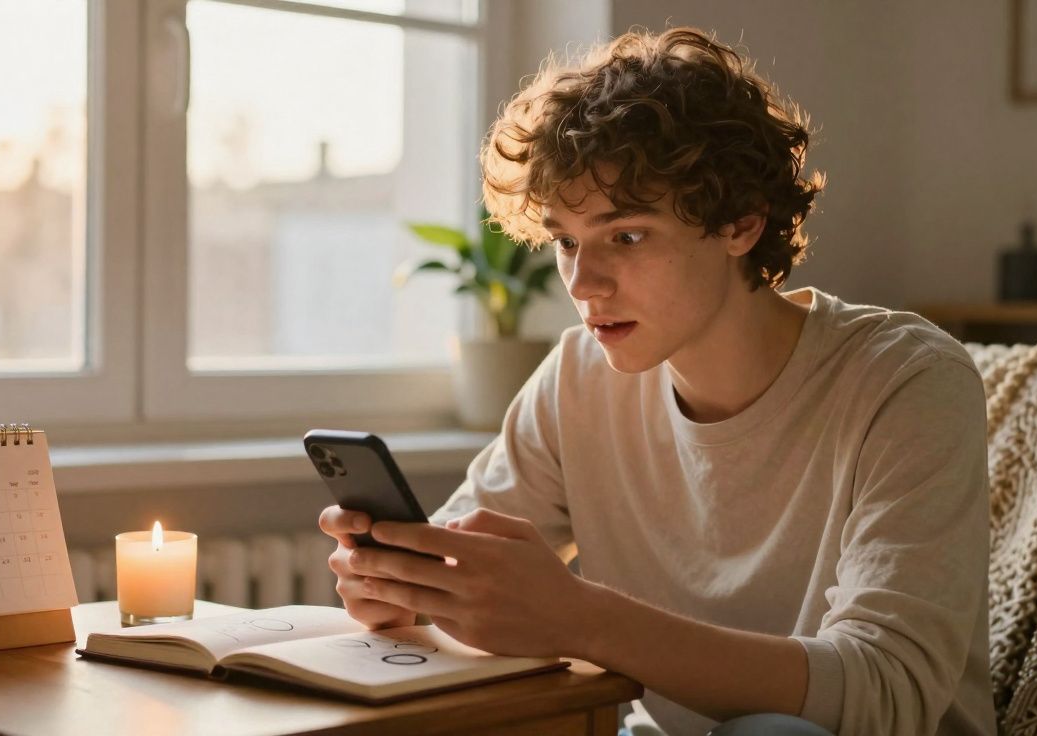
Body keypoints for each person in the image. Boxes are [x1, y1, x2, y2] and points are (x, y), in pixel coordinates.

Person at [319, 27, 994, 736]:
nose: (583, 283)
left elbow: (882, 696)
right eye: (566, 242)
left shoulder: (909, 381)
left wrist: (581, 619)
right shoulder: (578, 377)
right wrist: (404, 586)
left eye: (627, 236)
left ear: (741, 222)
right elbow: (467, 570)